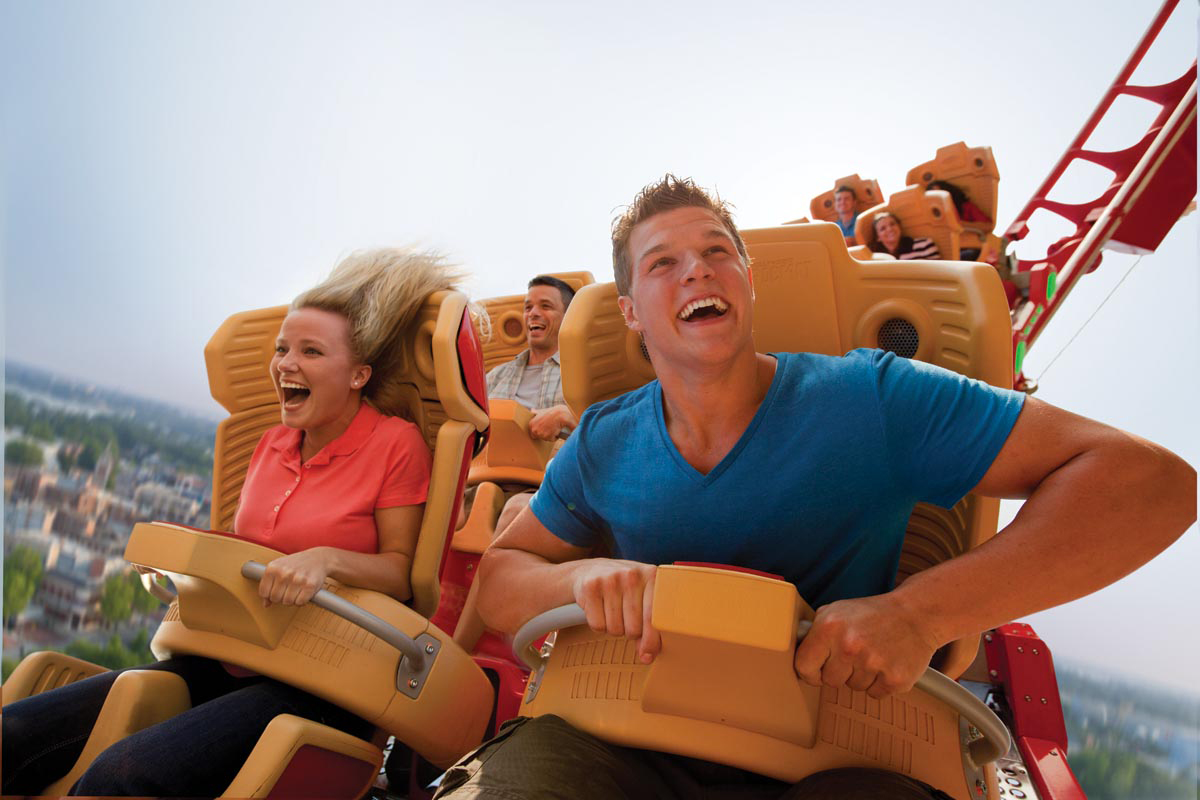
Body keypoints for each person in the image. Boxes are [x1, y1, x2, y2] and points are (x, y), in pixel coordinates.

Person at [433, 175, 1195, 798]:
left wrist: (920, 613)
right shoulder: (604, 437)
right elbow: (502, 577)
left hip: (839, 744)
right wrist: (581, 574)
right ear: (630, 312)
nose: (696, 268)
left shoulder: (872, 396)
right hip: (634, 730)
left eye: (716, 251)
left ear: (747, 282)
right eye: (662, 262)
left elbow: (1152, 486)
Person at [2, 248, 463, 798]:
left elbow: (401, 574)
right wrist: (177, 556)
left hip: (323, 677)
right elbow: (247, 548)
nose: (286, 364)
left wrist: (324, 562)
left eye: (311, 351)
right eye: (282, 349)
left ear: (359, 374)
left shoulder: (395, 444)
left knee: (121, 778)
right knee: (12, 733)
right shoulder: (272, 442)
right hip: (231, 652)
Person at [485, 275, 578, 441]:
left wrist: (568, 416)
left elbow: (610, 437)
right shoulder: (495, 376)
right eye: (528, 308)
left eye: (546, 306)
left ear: (568, 317)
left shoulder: (584, 376)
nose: (533, 313)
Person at [927, 180, 991, 260]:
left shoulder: (966, 207)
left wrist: (958, 224)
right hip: (943, 254)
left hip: (966, 249)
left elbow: (988, 226)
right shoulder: (929, 216)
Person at [868, 211, 942, 260]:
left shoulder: (925, 245)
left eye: (892, 224)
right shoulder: (877, 259)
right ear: (878, 238)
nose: (890, 229)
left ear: (899, 227)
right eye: (883, 228)